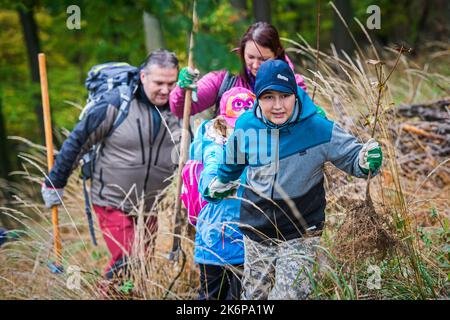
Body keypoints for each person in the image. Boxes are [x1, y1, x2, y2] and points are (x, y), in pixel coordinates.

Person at [205, 60, 383, 300]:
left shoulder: (317, 128)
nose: (278, 106)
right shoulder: (247, 125)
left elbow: (352, 157)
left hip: (302, 229)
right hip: (257, 226)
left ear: (296, 95)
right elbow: (232, 162)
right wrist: (221, 182)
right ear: (257, 97)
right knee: (255, 295)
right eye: (268, 97)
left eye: (285, 96)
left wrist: (365, 160)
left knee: (290, 295)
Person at [41, 49, 181, 279]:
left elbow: (188, 151)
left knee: (141, 271)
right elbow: (78, 141)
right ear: (143, 76)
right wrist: (55, 181)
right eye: (159, 82)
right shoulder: (116, 103)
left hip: (149, 206)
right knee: (126, 263)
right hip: (113, 201)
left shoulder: (178, 109)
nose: (165, 90)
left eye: (171, 83)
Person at [190, 87, 255, 300]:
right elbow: (211, 163)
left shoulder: (261, 144)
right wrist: (213, 183)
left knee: (238, 296)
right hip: (215, 236)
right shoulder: (215, 142)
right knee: (211, 295)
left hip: (248, 238)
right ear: (222, 122)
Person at [169, 22, 307, 119]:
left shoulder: (294, 84)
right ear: (242, 51)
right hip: (229, 156)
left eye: (264, 59)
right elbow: (181, 110)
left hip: (276, 155)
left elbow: (303, 120)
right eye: (251, 57)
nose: (256, 65)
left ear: (277, 54)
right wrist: (183, 89)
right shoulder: (225, 79)